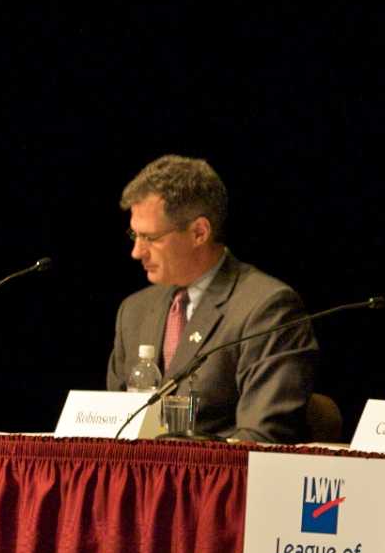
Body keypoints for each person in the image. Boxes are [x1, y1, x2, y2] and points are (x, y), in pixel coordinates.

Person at [106, 154, 316, 442]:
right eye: (135, 235)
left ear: (199, 232)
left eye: (151, 238)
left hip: (219, 482)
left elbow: (262, 435)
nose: (136, 252)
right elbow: (111, 427)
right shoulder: (133, 311)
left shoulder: (267, 308)